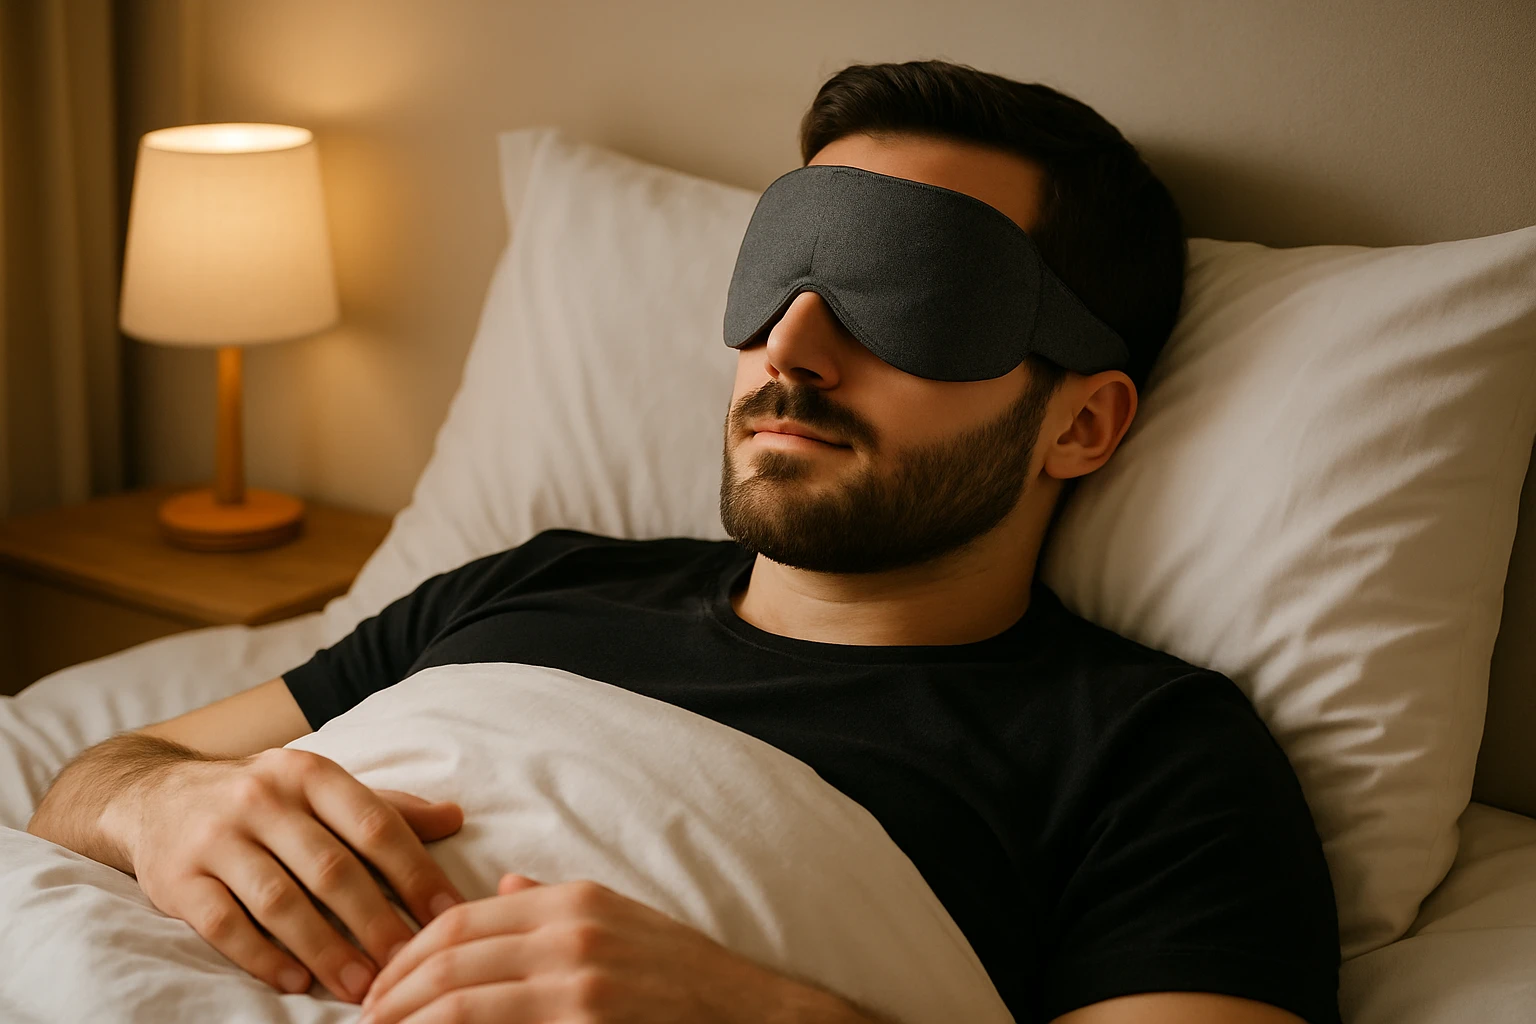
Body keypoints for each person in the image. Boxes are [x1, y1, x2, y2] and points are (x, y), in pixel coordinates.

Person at [27, 60, 1341, 1024]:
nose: (792, 350)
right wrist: (166, 801)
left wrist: (756, 1016)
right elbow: (88, 783)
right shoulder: (537, 582)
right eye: (782, 275)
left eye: (913, 292)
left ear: (1083, 425)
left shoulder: (1153, 755)